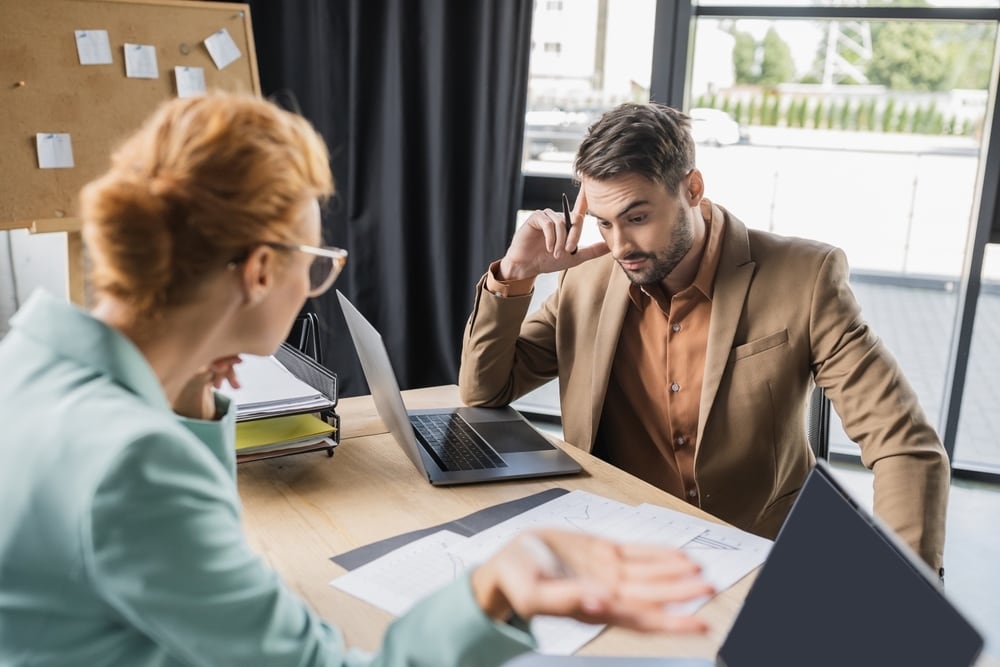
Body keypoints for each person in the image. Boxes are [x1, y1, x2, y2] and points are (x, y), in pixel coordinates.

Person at [0, 94, 714, 666]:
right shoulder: (136, 464)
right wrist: (494, 588)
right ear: (258, 271)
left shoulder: (25, 361)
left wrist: (191, 388)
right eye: (315, 266)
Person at [459, 102, 950, 575]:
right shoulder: (588, 279)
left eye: (637, 217)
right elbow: (487, 390)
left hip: (756, 555)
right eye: (604, 224)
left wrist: (903, 597)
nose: (620, 246)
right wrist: (516, 274)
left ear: (692, 188)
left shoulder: (805, 278)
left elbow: (904, 445)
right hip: (616, 548)